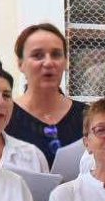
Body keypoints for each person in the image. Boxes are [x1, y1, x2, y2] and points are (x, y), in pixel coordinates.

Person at [9, 22, 88, 166]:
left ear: (66, 62)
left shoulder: (88, 116)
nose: (48, 63)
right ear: (20, 64)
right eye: (37, 55)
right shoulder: (6, 118)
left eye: (56, 55)